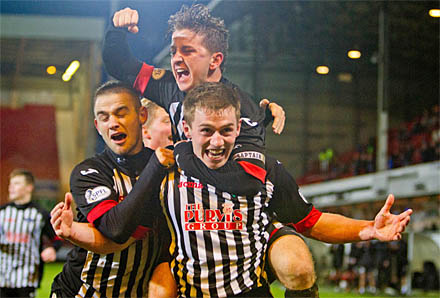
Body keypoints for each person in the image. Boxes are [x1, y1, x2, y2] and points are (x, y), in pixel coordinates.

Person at [53, 82, 413, 297]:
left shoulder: (264, 172)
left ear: (239, 128)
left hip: (248, 292)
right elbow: (121, 233)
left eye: (226, 130)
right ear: (186, 129)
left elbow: (313, 221)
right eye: (206, 130)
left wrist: (367, 229)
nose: (216, 142)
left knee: (297, 262)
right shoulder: (164, 172)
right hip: (189, 292)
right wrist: (72, 231)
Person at [104, 5, 319, 297]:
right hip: (192, 221)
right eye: (173, 52)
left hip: (239, 222)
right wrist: (117, 31)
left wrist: (182, 155)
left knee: (297, 266)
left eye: (188, 51)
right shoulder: (169, 87)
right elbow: (121, 65)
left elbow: (246, 181)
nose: (177, 59)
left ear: (216, 59)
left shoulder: (243, 106)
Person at [50, 81, 176, 298]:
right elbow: (115, 229)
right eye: (104, 117)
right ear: (97, 126)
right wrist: (155, 167)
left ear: (142, 115)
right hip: (82, 292)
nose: (113, 123)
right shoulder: (89, 172)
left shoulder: (169, 169)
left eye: (121, 113)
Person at [0, 169, 59, 298]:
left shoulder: (40, 214)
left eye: (16, 184)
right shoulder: (2, 212)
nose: (11, 188)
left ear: (29, 188)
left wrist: (52, 249)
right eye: (10, 184)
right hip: (2, 277)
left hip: (27, 277)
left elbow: (57, 237)